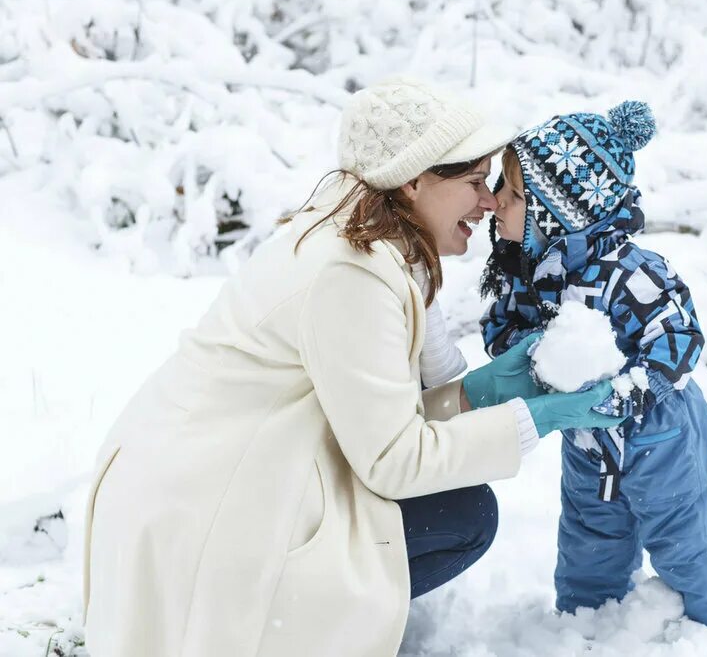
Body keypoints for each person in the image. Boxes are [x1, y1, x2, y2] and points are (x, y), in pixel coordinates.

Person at [81, 77, 621, 657]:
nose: (489, 202)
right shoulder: (352, 274)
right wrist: (529, 420)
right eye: (474, 182)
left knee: (456, 507)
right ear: (413, 180)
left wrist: (472, 396)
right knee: (465, 515)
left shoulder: (355, 238)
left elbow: (368, 417)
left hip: (217, 484)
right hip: (204, 518)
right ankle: (286, 634)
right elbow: (392, 460)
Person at [478, 101, 707, 647]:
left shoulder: (629, 274)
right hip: (588, 445)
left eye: (513, 195)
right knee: (588, 546)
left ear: (559, 212)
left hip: (662, 439)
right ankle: (588, 632)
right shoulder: (532, 274)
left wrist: (629, 391)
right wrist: (531, 354)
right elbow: (501, 331)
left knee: (688, 546)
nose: (496, 203)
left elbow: (679, 337)